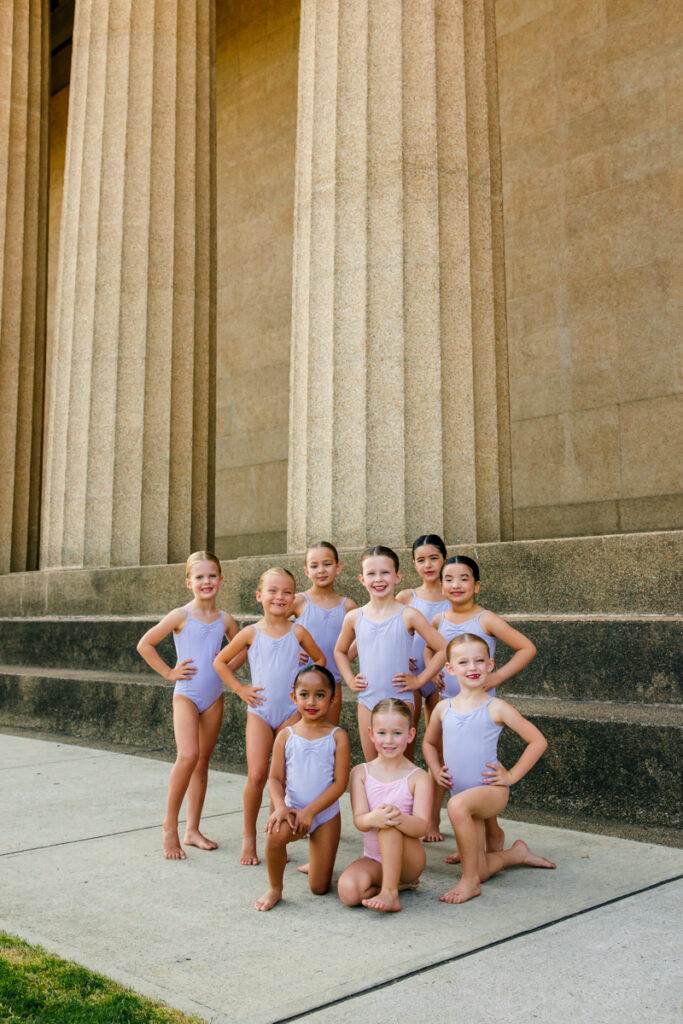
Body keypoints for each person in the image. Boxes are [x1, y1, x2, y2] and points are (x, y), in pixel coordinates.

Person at [422, 634, 555, 904]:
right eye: (464, 662)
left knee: (457, 807)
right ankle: (515, 854)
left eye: (479, 661)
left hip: (490, 791)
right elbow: (428, 742)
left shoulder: (496, 707)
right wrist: (435, 769)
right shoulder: (442, 708)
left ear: (490, 665)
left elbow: (537, 741)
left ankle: (469, 882)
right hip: (464, 794)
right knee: (481, 868)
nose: (472, 667)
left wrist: (511, 776)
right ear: (450, 668)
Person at [426, 554, 537, 858]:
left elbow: (527, 647)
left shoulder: (485, 618)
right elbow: (431, 647)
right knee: (456, 766)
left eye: (464, 578)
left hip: (479, 706)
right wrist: (433, 670)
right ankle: (474, 840)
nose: (456, 584)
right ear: (441, 585)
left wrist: (497, 676)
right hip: (448, 704)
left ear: (477, 586)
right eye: (448, 579)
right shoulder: (439, 620)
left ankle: (492, 834)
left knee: (479, 770)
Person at [213, 568, 324, 866]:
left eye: (287, 592)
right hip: (260, 713)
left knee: (285, 778)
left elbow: (321, 661)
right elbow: (220, 662)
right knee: (257, 775)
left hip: (290, 714)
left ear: (294, 598)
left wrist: (305, 679)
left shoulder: (298, 632)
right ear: (259, 596)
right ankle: (249, 836)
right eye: (273, 591)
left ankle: (281, 835)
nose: (280, 597)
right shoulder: (251, 632)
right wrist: (240, 689)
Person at [137, 551, 243, 860]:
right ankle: (169, 826)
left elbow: (244, 646)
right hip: (186, 694)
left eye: (212, 576)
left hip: (213, 696)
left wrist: (225, 668)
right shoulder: (180, 615)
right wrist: (169, 672)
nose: (206, 581)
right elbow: (145, 644)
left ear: (221, 580)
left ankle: (192, 829)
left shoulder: (225, 620)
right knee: (188, 755)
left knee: (202, 762)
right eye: (199, 577)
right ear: (189, 582)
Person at [334, 545, 446, 762]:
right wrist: (348, 678)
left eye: (385, 573)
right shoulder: (355, 617)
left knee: (401, 766)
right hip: (367, 699)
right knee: (373, 765)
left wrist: (420, 679)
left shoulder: (409, 615)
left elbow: (443, 648)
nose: (378, 579)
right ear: (361, 578)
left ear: (398, 576)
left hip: (401, 698)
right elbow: (340, 651)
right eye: (371, 574)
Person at [254, 666, 350, 911]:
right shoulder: (286, 736)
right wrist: (281, 807)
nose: (311, 701)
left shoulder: (338, 736)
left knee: (319, 888)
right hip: (293, 812)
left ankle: (317, 859)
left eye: (320, 695)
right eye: (304, 694)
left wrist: (312, 811)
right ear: (293, 697)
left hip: (325, 815)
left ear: (333, 699)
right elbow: (274, 779)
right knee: (275, 836)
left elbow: (340, 784)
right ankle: (275, 888)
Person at [337, 698, 431, 913]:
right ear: (371, 734)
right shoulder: (360, 773)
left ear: (410, 735)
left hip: (409, 861)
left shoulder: (418, 777)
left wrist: (396, 817)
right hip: (374, 860)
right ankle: (397, 885)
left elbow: (421, 827)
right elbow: (360, 821)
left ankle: (390, 893)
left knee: (388, 821)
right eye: (382, 733)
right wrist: (372, 818)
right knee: (348, 892)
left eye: (397, 733)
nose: (389, 740)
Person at [396, 533, 451, 840]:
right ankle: (407, 813)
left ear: (444, 558)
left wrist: (442, 667)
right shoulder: (407, 597)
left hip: (441, 679)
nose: (428, 564)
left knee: (437, 749)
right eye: (420, 560)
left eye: (433, 558)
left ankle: (432, 819)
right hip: (411, 679)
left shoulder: (453, 593)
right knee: (407, 746)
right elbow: (387, 628)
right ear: (413, 564)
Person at [291, 541, 357, 727]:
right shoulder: (298, 601)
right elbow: (273, 627)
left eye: (327, 564)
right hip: (300, 681)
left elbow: (365, 637)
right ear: (306, 571)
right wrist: (290, 650)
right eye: (314, 566)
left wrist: (343, 658)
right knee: (298, 735)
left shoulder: (348, 606)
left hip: (331, 681)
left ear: (338, 567)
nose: (321, 570)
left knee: (328, 732)